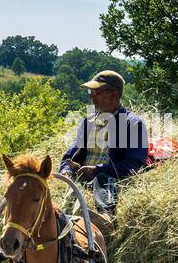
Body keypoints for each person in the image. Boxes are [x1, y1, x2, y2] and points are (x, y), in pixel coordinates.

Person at [59, 70, 148, 215]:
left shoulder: (132, 124)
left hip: (107, 181)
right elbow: (70, 154)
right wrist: (67, 170)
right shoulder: (88, 123)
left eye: (97, 93)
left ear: (113, 94)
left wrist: (98, 169)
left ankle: (105, 217)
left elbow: (134, 164)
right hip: (82, 180)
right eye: (90, 92)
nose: (92, 98)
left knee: (101, 179)